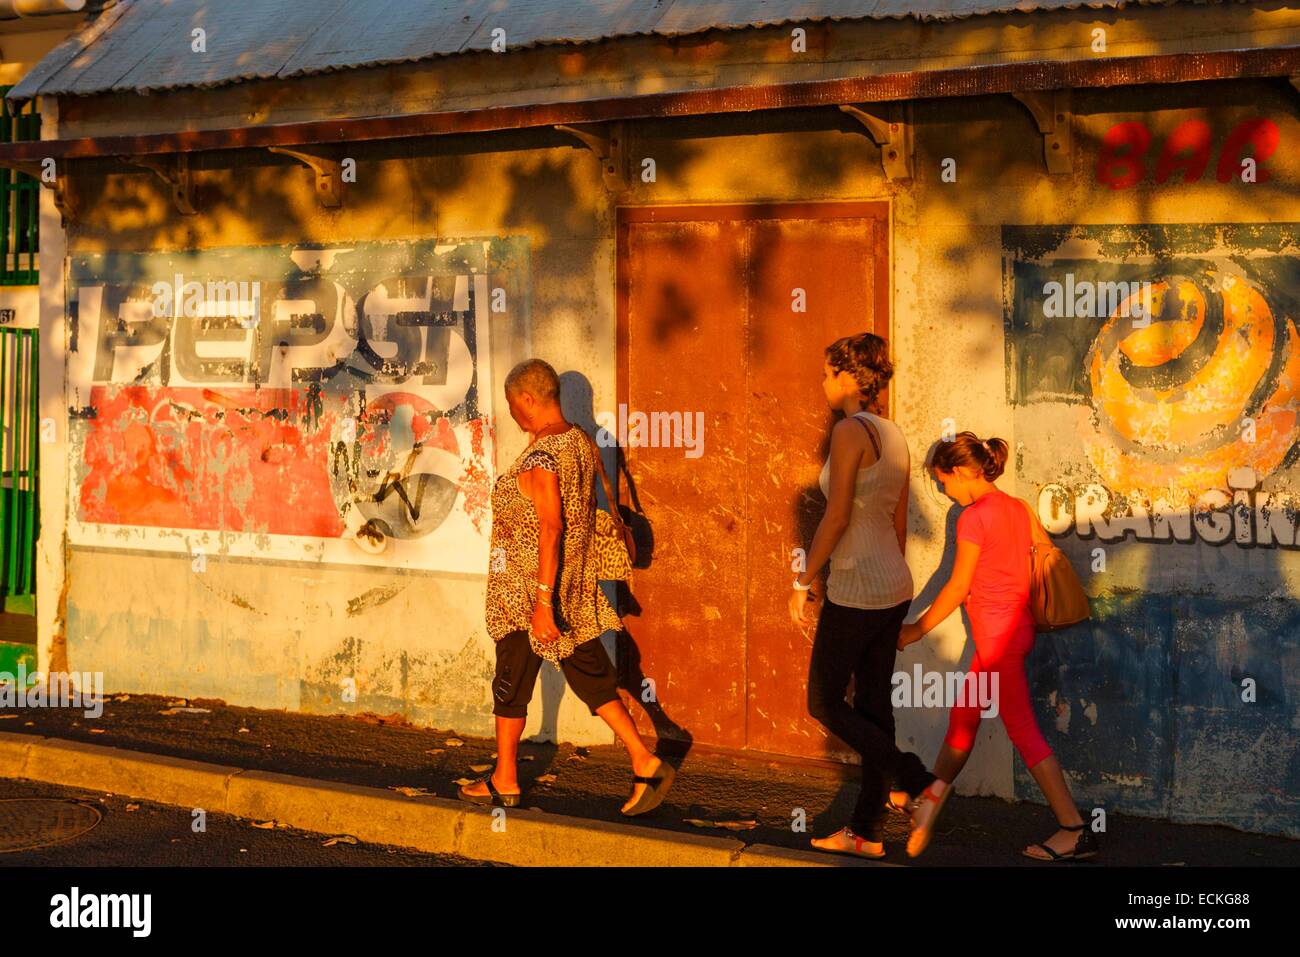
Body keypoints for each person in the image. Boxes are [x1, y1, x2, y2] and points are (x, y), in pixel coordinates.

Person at [459, 358, 674, 815]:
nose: (513, 416)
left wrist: (540, 603)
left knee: (511, 685)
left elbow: (551, 528)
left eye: (513, 406)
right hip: (572, 592)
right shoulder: (578, 441)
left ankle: (505, 780)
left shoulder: (541, 457)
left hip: (529, 596)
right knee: (592, 678)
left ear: (527, 400)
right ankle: (645, 760)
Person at [898, 432, 1098, 861]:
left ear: (963, 472)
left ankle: (1074, 829)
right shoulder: (1016, 508)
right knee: (964, 719)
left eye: (943, 482)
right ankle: (930, 800)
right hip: (1016, 630)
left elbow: (957, 586)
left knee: (1023, 731)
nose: (943, 491)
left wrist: (914, 629)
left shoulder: (972, 518)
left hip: (998, 639)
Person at [790, 332, 935, 860]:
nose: (823, 383)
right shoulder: (893, 433)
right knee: (874, 709)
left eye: (828, 373)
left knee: (824, 701)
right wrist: (895, 584)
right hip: (892, 584)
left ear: (849, 377)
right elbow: (896, 523)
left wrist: (804, 579)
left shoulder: (850, 431)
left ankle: (916, 778)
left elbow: (837, 515)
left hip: (856, 586)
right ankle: (867, 831)